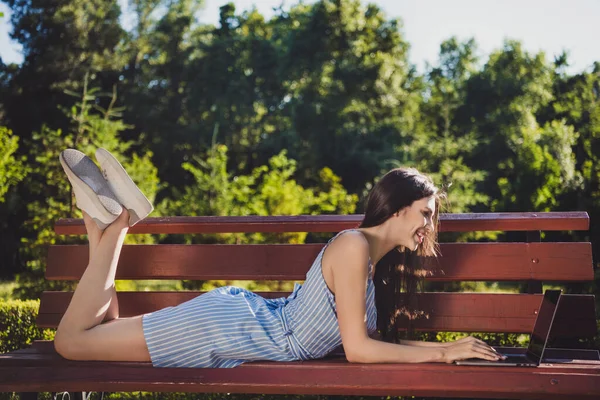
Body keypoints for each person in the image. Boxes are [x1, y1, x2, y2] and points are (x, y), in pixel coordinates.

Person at [54, 148, 505, 367]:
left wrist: (451, 348)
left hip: (239, 325)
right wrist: (443, 355)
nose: (429, 225)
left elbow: (376, 340)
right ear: (400, 205)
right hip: (230, 329)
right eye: (425, 213)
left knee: (98, 335)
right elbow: (358, 350)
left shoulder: (371, 260)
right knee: (71, 344)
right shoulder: (353, 247)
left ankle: (104, 221)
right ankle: (120, 221)